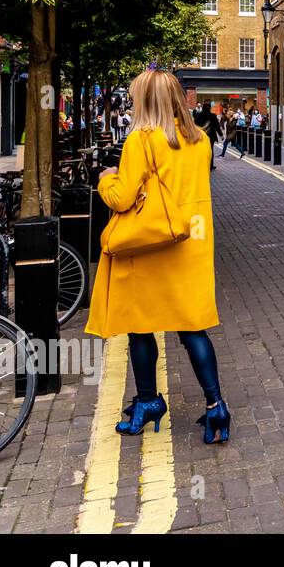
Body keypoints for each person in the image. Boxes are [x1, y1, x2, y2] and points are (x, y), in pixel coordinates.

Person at [86, 68, 230, 443]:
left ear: (145, 101)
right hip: (191, 245)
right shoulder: (201, 142)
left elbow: (122, 197)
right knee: (192, 328)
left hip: (153, 246)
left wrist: (106, 177)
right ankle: (216, 407)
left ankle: (149, 400)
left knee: (140, 325)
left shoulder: (141, 140)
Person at [194, 103, 219, 169]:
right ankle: (210, 165)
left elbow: (195, 124)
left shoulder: (199, 115)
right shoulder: (213, 115)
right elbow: (217, 125)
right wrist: (221, 134)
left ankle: (202, 164)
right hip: (211, 135)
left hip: (201, 135)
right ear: (210, 108)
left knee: (201, 149)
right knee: (210, 150)